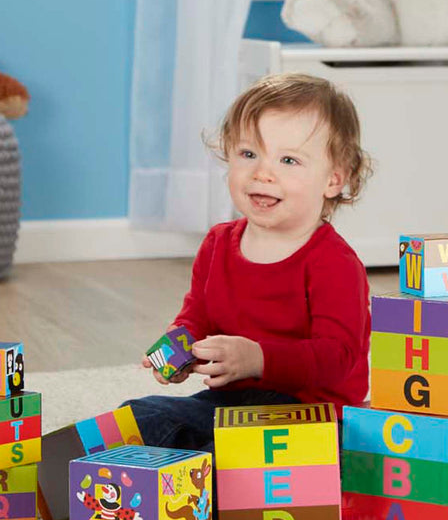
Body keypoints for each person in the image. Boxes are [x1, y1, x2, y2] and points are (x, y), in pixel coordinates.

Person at [122, 72, 372, 457]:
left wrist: (258, 358)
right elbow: (198, 315)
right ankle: (158, 474)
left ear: (333, 180)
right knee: (139, 418)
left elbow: (337, 358)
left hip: (312, 417)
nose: (262, 173)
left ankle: (194, 479)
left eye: (288, 160)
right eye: (248, 154)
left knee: (246, 464)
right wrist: (180, 346)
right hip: (231, 408)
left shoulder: (334, 263)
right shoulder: (218, 243)